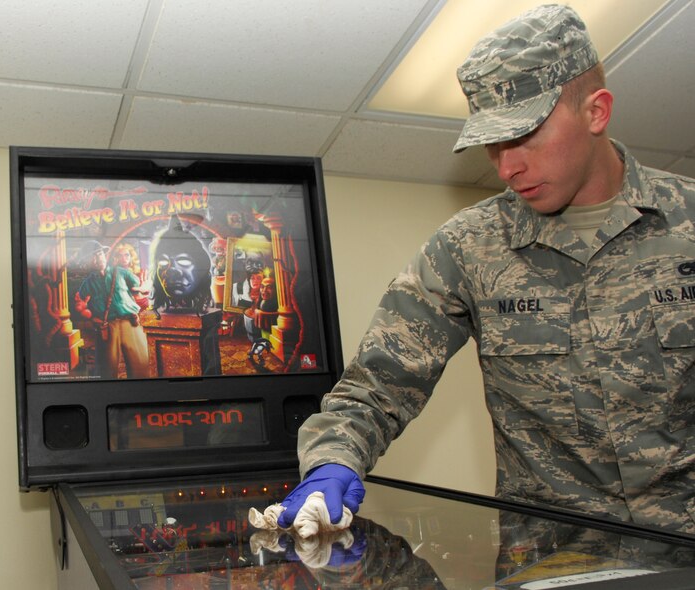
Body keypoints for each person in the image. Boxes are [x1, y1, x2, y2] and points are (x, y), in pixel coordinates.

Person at [278, 4, 695, 535]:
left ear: (596, 111)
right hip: (550, 559)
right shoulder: (468, 248)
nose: (506, 166)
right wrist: (332, 462)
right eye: (493, 143)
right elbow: (377, 383)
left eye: (524, 135)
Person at [76, 241, 150, 379]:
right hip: (107, 328)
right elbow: (80, 304)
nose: (98, 259)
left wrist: (144, 288)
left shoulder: (121, 273)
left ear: (104, 255)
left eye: (99, 254)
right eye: (93, 257)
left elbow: (139, 288)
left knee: (140, 366)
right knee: (106, 371)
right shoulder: (88, 283)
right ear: (88, 262)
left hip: (131, 323)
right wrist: (91, 318)